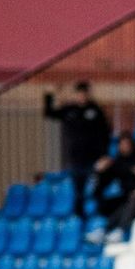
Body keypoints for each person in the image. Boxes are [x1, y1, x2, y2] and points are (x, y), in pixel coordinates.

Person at [43, 81, 111, 217]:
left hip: (93, 157)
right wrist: (50, 95)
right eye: (80, 94)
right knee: (78, 189)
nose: (82, 96)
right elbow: (49, 113)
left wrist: (104, 155)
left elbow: (105, 133)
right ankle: (80, 216)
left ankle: (99, 214)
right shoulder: (70, 109)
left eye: (85, 93)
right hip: (75, 157)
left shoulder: (96, 111)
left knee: (95, 188)